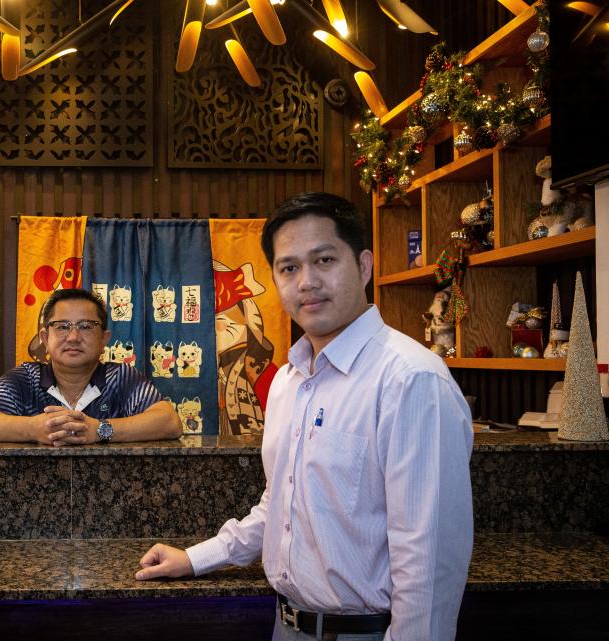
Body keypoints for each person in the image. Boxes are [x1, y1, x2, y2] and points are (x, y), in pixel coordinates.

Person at [135, 192, 473, 641]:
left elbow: (429, 561)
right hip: (288, 625)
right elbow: (281, 504)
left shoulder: (410, 380)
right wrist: (198, 558)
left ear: (365, 265)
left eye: (325, 259)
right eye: (289, 268)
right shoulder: (289, 380)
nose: (307, 281)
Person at [0, 288, 182, 445]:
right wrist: (34, 428)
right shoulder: (25, 378)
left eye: (86, 326)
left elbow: (169, 422)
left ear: (104, 338)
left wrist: (100, 430)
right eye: (62, 326)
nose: (73, 337)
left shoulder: (121, 377)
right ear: (45, 337)